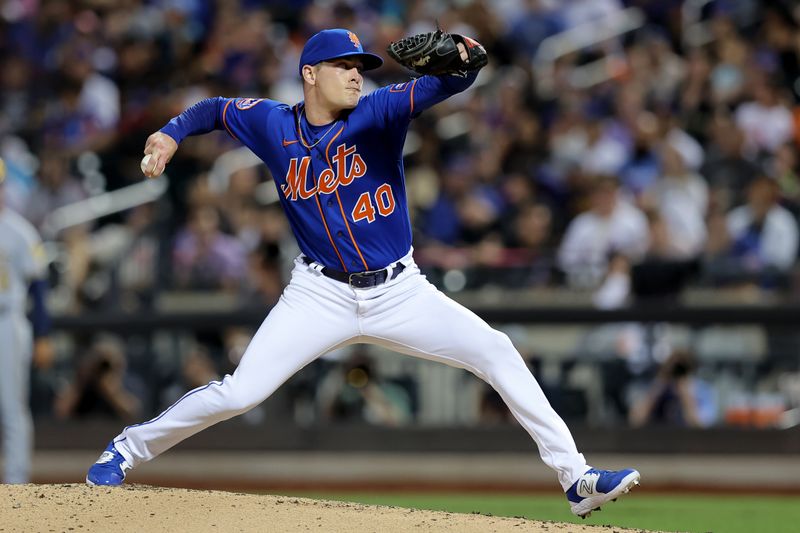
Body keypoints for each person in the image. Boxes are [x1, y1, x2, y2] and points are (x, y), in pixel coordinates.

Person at [85, 28, 640, 517]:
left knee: (496, 349)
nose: (357, 76)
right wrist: (170, 133)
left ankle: (576, 478)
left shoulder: (379, 111)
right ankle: (124, 450)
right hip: (318, 294)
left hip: (401, 291)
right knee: (239, 394)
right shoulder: (271, 123)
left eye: (361, 67)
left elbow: (458, 79)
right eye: (344, 67)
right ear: (309, 74)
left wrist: (465, 53)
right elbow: (215, 110)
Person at [0, 158, 52, 483]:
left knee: (11, 407)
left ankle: (16, 487)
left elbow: (40, 287)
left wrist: (43, 336)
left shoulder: (18, 231)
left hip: (7, 321)